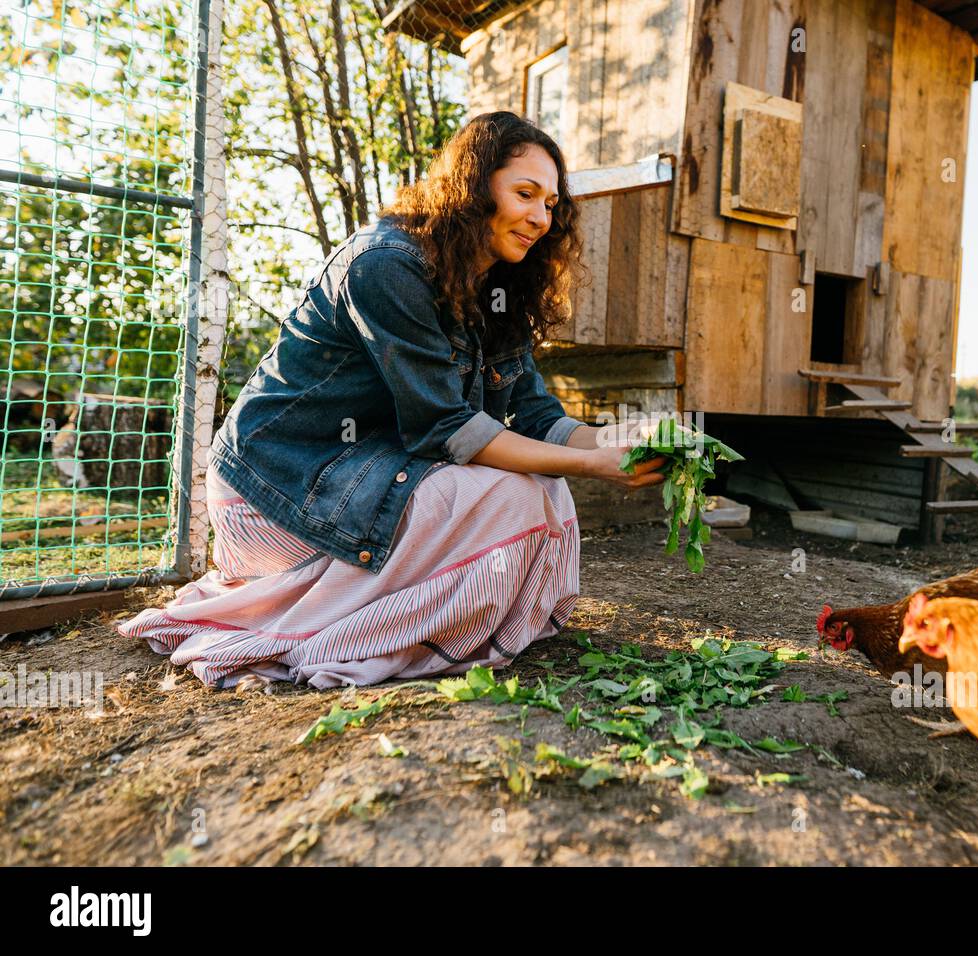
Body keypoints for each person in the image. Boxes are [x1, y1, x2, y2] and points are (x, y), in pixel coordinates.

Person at [117, 112, 665, 689]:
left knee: (543, 489)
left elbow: (532, 413)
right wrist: (591, 464)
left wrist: (619, 442)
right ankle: (347, 630)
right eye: (524, 193)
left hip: (371, 474)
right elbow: (445, 429)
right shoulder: (387, 266)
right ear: (474, 187)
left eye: (551, 204)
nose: (539, 217)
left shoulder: (498, 285)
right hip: (278, 486)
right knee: (513, 498)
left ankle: (450, 624)